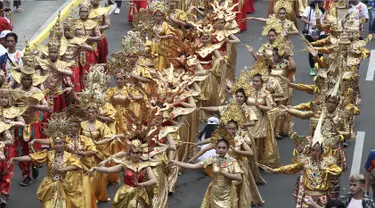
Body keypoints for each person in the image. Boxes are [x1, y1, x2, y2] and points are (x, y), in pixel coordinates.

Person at [171, 138, 243, 207]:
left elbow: (239, 177)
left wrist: (225, 173)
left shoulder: (232, 161)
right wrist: (177, 163)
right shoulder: (212, 159)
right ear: (215, 149)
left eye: (224, 148)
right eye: (219, 147)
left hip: (228, 192)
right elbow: (194, 166)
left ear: (227, 149)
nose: (221, 150)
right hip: (215, 192)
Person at [87, 139, 157, 208]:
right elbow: (109, 170)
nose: (135, 155)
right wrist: (96, 168)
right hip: (125, 193)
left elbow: (154, 180)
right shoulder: (125, 165)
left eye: (137, 153)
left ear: (141, 153)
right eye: (133, 153)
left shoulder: (145, 166)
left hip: (140, 195)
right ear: (130, 153)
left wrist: (141, 184)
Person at [301, 0, 325, 75]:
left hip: (321, 33)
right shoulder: (309, 8)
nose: (322, 4)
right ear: (315, 3)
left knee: (321, 51)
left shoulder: (323, 10)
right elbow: (303, 18)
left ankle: (320, 68)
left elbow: (326, 20)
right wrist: (311, 23)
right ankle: (312, 69)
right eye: (320, 2)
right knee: (312, 52)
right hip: (310, 33)